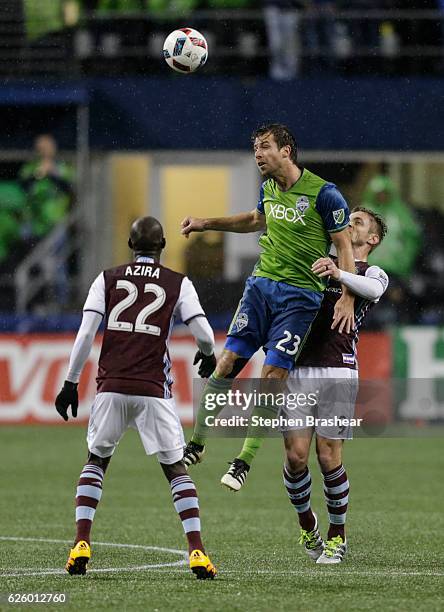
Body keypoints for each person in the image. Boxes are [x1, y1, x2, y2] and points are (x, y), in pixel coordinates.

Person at [181, 123, 355, 489]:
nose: (257, 154)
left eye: (264, 147)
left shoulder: (325, 195)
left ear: (286, 150)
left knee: (272, 376)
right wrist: (205, 223)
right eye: (254, 148)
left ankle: (243, 460)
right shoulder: (269, 190)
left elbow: (344, 248)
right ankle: (196, 443)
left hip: (300, 298)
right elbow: (254, 220)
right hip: (260, 289)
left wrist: (347, 296)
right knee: (227, 362)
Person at [55, 216, 217, 580]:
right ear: (162, 247)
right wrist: (207, 353)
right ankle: (197, 552)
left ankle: (81, 542)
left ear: (130, 246)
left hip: (111, 384)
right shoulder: (178, 283)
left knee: (96, 459)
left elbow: (85, 334)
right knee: (175, 467)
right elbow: (204, 333)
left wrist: (70, 383)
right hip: (152, 388)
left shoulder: (107, 278)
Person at [281, 206, 388, 564]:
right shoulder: (318, 260)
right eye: (348, 219)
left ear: (372, 239)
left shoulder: (371, 272)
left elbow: (371, 290)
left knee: (328, 457)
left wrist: (338, 271)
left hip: (338, 371)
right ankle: (307, 522)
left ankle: (336, 536)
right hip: (297, 370)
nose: (349, 224)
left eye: (358, 222)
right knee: (295, 458)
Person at [19, 134, 74, 243]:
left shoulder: (64, 168)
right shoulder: (30, 167)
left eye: (47, 148)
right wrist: (38, 174)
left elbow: (69, 189)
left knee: (56, 259)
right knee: (32, 256)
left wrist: (52, 174)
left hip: (55, 221)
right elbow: (24, 187)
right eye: (40, 148)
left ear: (54, 148)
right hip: (34, 222)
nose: (44, 151)